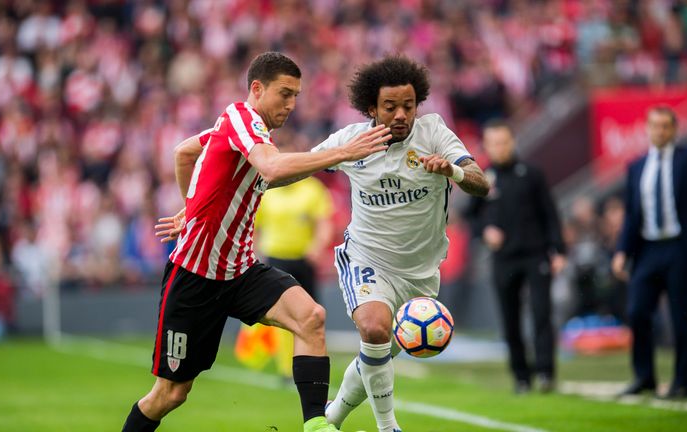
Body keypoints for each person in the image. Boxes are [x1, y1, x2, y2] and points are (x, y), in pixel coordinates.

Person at [122, 52, 392, 432]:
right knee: (171, 394)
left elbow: (184, 153)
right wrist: (345, 152)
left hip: (240, 271)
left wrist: (192, 206)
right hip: (194, 277)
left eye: (296, 95)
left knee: (311, 318)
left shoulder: (245, 130)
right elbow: (270, 166)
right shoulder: (239, 118)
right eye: (285, 94)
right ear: (256, 88)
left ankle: (317, 425)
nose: (291, 104)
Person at [313, 56, 490, 432]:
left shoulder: (434, 133)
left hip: (421, 273)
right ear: (371, 108)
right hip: (367, 257)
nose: (400, 115)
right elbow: (298, 166)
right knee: (375, 330)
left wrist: (452, 170)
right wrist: (249, 179)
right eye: (390, 107)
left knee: (374, 356)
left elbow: (481, 182)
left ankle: (332, 419)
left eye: (408, 106)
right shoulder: (351, 141)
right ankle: (389, 427)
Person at [612, 106, 687, 399]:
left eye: (665, 126)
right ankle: (644, 377)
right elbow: (632, 214)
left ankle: (683, 382)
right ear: (647, 128)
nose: (660, 131)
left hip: (681, 247)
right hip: (648, 249)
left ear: (674, 128)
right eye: (654, 126)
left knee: (681, 317)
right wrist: (622, 251)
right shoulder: (636, 166)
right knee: (637, 311)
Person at [464, 120, 566, 394]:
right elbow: (470, 215)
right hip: (504, 260)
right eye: (494, 143)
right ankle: (521, 377)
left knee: (541, 313)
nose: (500, 148)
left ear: (512, 142)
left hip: (536, 254)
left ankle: (545, 372)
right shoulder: (483, 177)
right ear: (487, 146)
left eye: (504, 142)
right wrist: (485, 231)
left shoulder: (531, 173)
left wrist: (559, 250)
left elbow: (550, 213)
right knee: (510, 320)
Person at [235, 157, 335, 381]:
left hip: (303, 260)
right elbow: (253, 226)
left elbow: (324, 223)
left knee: (312, 314)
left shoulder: (312, 189)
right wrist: (254, 253)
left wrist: (316, 247)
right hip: (275, 259)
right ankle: (286, 367)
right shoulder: (267, 191)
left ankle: (311, 360)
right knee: (284, 317)